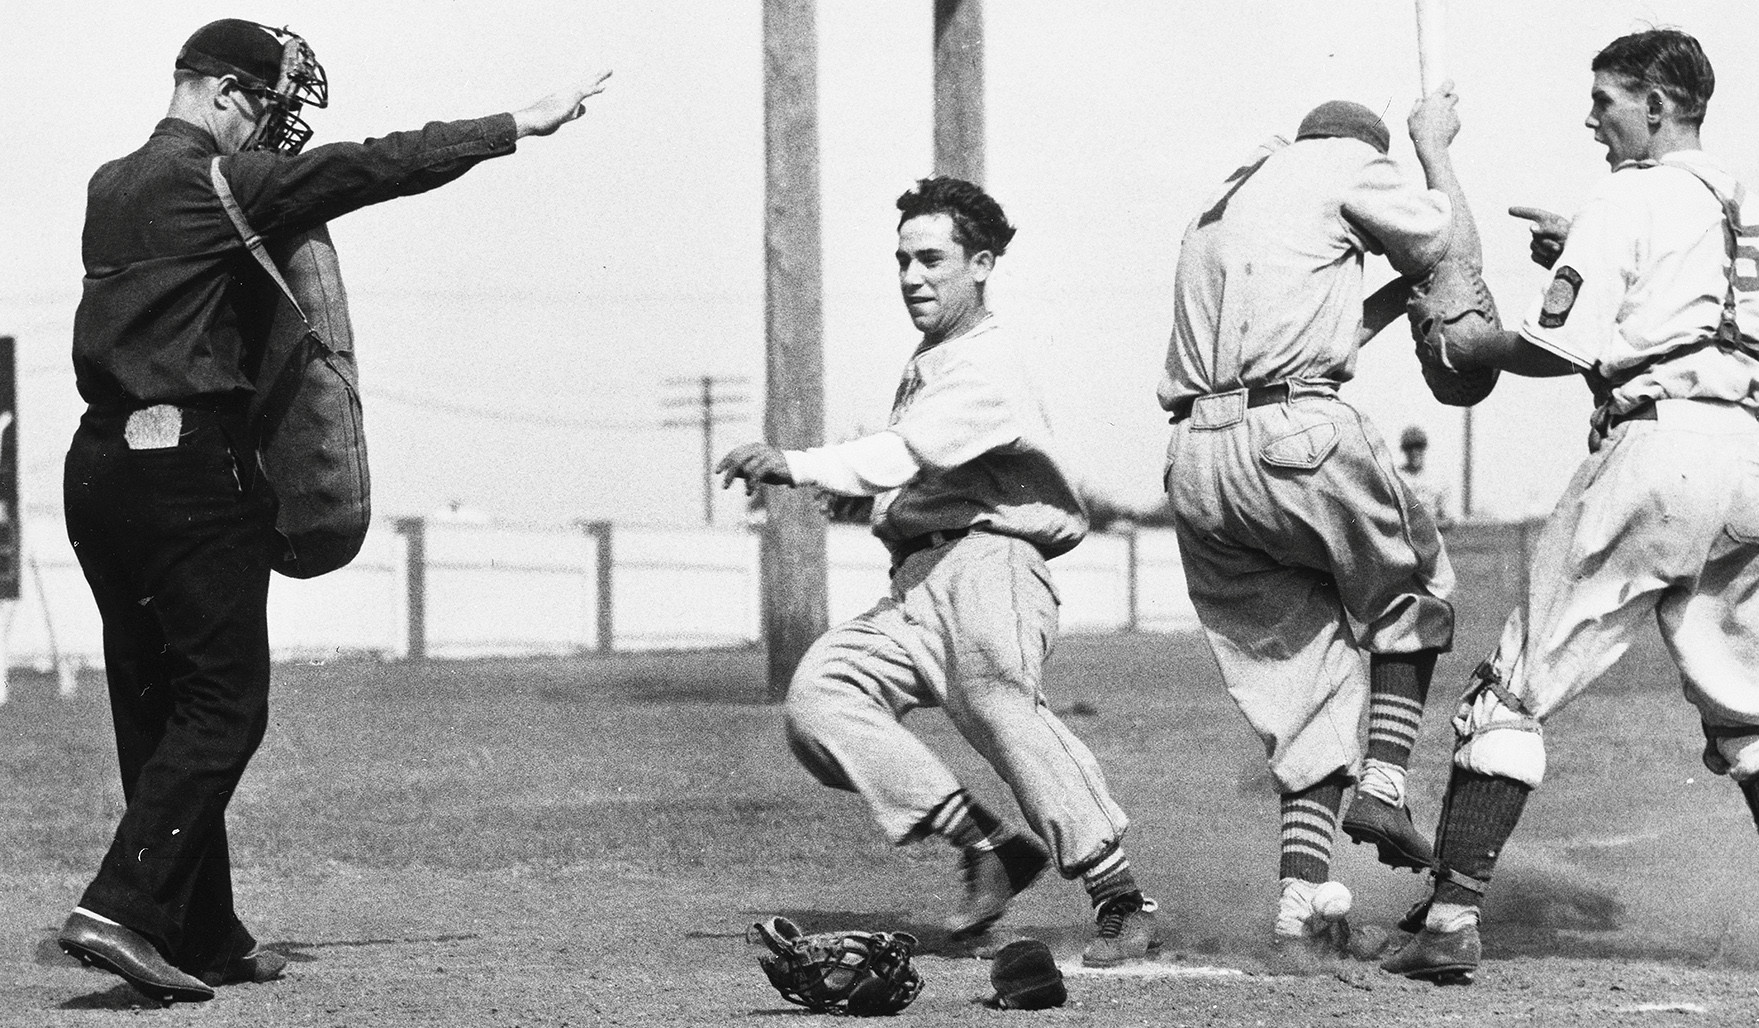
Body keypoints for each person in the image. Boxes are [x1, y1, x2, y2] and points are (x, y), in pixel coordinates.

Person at [56, 18, 609, 1003]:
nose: (269, 133)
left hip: (99, 471)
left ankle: (204, 928)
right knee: (226, 701)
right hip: (189, 467)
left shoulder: (110, 185)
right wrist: (519, 122)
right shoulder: (224, 184)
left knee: (158, 701)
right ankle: (124, 905)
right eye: (264, 111)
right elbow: (375, 165)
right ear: (226, 93)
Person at [1384, 29, 1759, 984]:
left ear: (1661, 101)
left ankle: (1448, 920)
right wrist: (1593, 250)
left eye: (1606, 98)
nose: (1591, 116)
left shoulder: (1628, 194)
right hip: (1754, 459)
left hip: (1658, 449)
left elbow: (1554, 343)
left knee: (1510, 692)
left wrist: (1468, 342)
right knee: (1757, 704)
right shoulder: (1742, 201)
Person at [716, 177, 1160, 968]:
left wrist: (796, 463)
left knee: (998, 706)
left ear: (981, 264)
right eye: (902, 261)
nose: (912, 277)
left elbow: (897, 455)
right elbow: (905, 473)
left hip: (992, 564)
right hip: (917, 581)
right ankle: (990, 846)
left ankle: (1121, 896)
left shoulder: (986, 364)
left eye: (932, 259)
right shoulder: (935, 358)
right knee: (821, 697)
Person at [1157, 100, 1464, 964]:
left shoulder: (1233, 195)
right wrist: (1433, 150)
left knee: (1302, 688)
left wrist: (1396, 297)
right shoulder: (1347, 163)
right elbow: (1439, 238)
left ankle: (1300, 907)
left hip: (1197, 458)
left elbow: (1302, 329)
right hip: (1293, 433)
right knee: (1415, 592)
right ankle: (1388, 781)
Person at [1397, 426, 1453, 527]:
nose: (1414, 451)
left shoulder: (1438, 479)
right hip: (1402, 537)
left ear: (1424, 448)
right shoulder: (1395, 477)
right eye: (1409, 447)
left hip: (1430, 537)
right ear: (1404, 450)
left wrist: (1427, 524)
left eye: (1418, 446)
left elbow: (1448, 519)